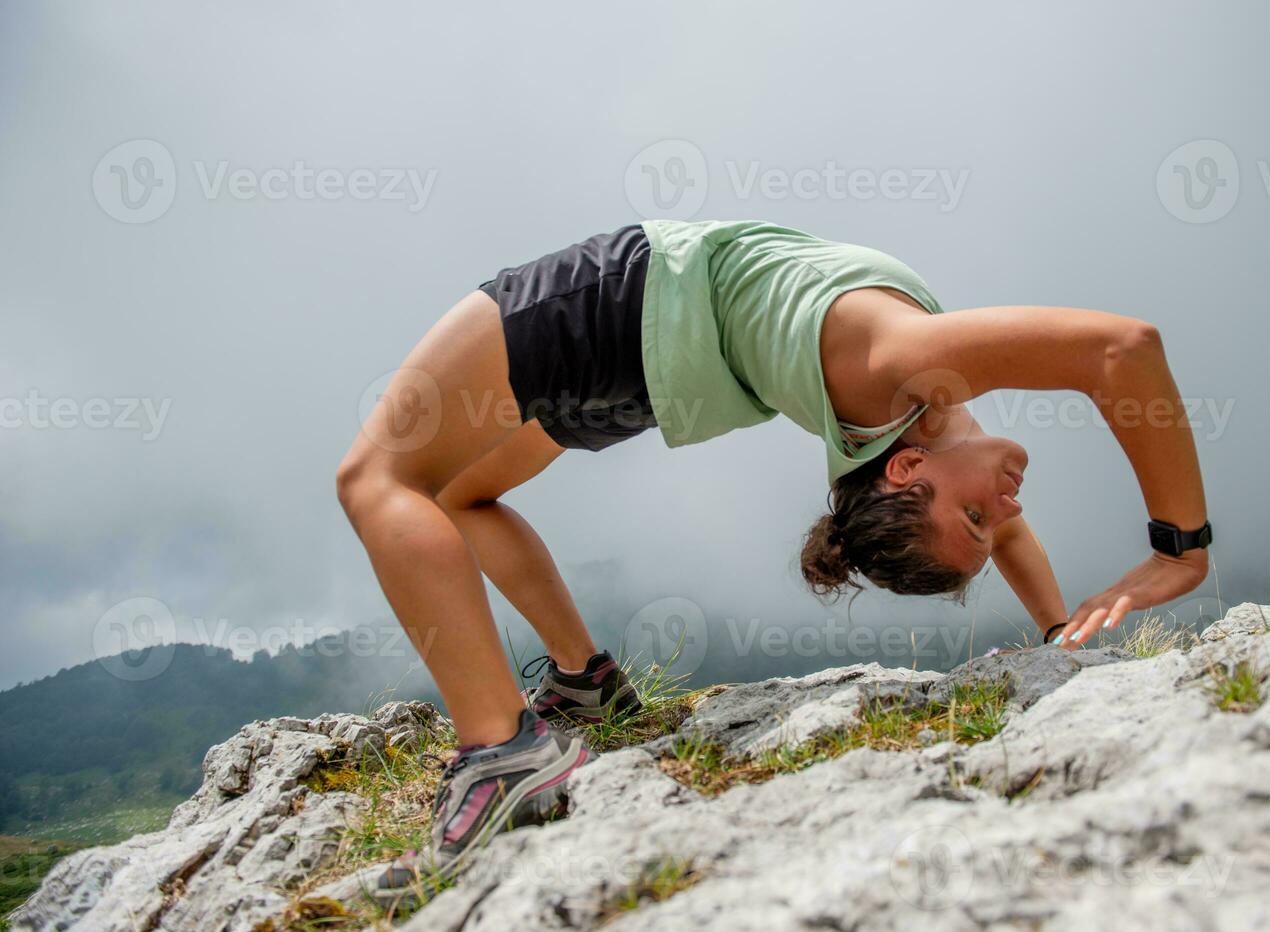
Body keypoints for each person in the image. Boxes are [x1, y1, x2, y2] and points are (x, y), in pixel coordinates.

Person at [335, 219, 1212, 897]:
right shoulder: (918, 397)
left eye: (976, 517)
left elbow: (1121, 350)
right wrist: (1114, 592)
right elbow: (1109, 364)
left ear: (904, 471)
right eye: (986, 518)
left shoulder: (907, 385)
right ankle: (586, 684)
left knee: (375, 478)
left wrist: (1162, 562)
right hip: (657, 377)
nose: (1009, 508)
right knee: (457, 494)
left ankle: (502, 750)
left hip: (635, 305)